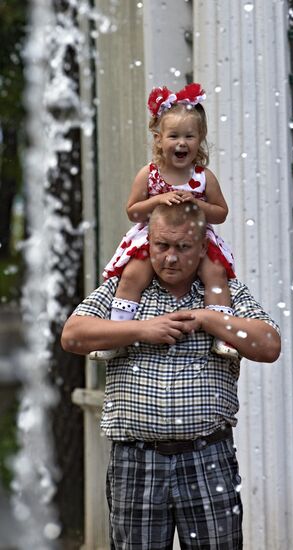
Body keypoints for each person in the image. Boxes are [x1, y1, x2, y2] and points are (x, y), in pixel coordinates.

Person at [61, 202, 281, 550]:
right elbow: (72, 335)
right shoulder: (124, 294)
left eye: (183, 247)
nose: (171, 258)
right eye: (162, 246)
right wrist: (140, 330)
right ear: (148, 242)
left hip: (207, 457)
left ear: (202, 247)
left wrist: (209, 319)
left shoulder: (224, 294)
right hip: (136, 460)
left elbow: (269, 345)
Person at [92, 83, 237, 361]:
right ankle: (118, 332)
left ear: (200, 139)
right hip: (154, 238)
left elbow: (221, 213)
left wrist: (198, 204)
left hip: (195, 240)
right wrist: (158, 200)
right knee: (133, 274)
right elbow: (133, 211)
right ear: (158, 139)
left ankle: (224, 335)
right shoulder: (150, 174)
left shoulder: (203, 177)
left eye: (189, 136)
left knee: (216, 274)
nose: (181, 143)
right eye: (173, 136)